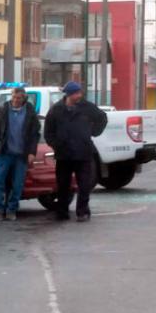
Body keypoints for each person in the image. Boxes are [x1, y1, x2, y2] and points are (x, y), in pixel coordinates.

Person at [44, 81, 108, 222]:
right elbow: (48, 130)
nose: (79, 95)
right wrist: (55, 144)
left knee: (84, 185)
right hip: (63, 155)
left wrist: (93, 132)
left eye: (80, 92)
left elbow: (102, 118)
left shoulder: (87, 107)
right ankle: (62, 212)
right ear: (69, 94)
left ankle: (82, 212)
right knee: (63, 185)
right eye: (76, 93)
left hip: (83, 152)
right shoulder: (56, 109)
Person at [0, 87, 41, 222]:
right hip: (5, 153)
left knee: (17, 184)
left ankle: (12, 209)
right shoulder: (4, 109)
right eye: (14, 97)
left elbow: (35, 134)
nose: (16, 101)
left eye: (19, 98)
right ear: (11, 97)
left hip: (21, 155)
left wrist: (32, 152)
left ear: (24, 98)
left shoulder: (30, 111)